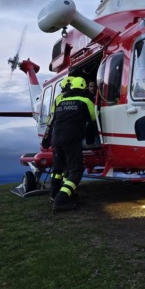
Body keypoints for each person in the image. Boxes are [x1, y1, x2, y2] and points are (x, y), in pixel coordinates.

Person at [50, 76, 96, 212]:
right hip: (71, 140)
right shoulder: (85, 101)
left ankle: (60, 194)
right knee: (76, 171)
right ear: (84, 88)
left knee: (62, 169)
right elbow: (93, 118)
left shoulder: (61, 101)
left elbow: (53, 119)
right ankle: (60, 200)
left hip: (56, 140)